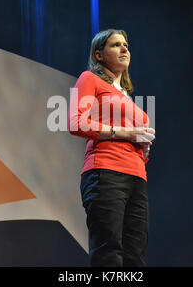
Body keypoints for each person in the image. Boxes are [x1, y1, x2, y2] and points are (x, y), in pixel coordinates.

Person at [68, 29, 156, 266]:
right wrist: (127, 133)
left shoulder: (127, 95)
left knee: (135, 257)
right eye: (116, 45)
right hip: (105, 172)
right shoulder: (90, 79)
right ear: (99, 55)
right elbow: (75, 122)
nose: (124, 49)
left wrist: (144, 148)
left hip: (137, 177)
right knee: (109, 252)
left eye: (126, 44)